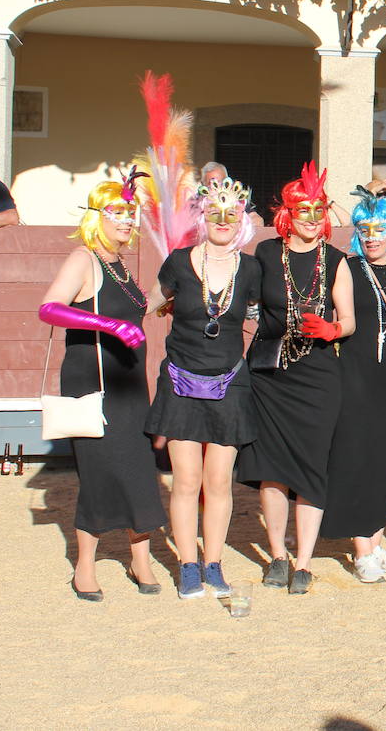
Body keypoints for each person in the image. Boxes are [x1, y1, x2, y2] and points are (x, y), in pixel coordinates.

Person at [38, 171, 165, 600]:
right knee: (99, 472)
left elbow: (137, 310)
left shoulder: (120, 264)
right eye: (118, 213)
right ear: (97, 217)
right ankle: (85, 567)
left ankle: (140, 558)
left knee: (139, 468)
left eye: (132, 214)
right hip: (93, 381)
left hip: (128, 383)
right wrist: (105, 323)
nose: (127, 221)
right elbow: (49, 308)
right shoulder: (84, 258)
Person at [236, 163, 355, 595]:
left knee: (310, 468)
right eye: (301, 209)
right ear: (287, 212)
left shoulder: (337, 260)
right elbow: (239, 296)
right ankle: (278, 557)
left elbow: (351, 321)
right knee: (271, 470)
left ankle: (304, 562)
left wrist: (333, 329)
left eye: (317, 209)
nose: (310, 217)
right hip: (269, 373)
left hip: (318, 376)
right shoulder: (267, 254)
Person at [143, 176, 262, 599]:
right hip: (180, 380)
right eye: (215, 212)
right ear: (203, 216)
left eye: (232, 213)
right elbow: (149, 304)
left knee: (218, 482)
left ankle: (213, 563)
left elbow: (261, 315)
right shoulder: (177, 262)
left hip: (230, 383)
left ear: (242, 219)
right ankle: (187, 565)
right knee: (186, 481)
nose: (223, 220)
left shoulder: (250, 269)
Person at [320, 189, 386, 583]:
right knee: (355, 459)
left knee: (383, 463)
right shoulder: (347, 267)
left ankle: (376, 541)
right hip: (354, 374)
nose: (373, 236)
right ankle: (362, 549)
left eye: (380, 228)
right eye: (365, 229)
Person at [199, 162, 264, 228]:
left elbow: (257, 220)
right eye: (212, 183)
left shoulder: (237, 201)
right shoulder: (196, 203)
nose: (217, 188)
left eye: (221, 183)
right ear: (203, 185)